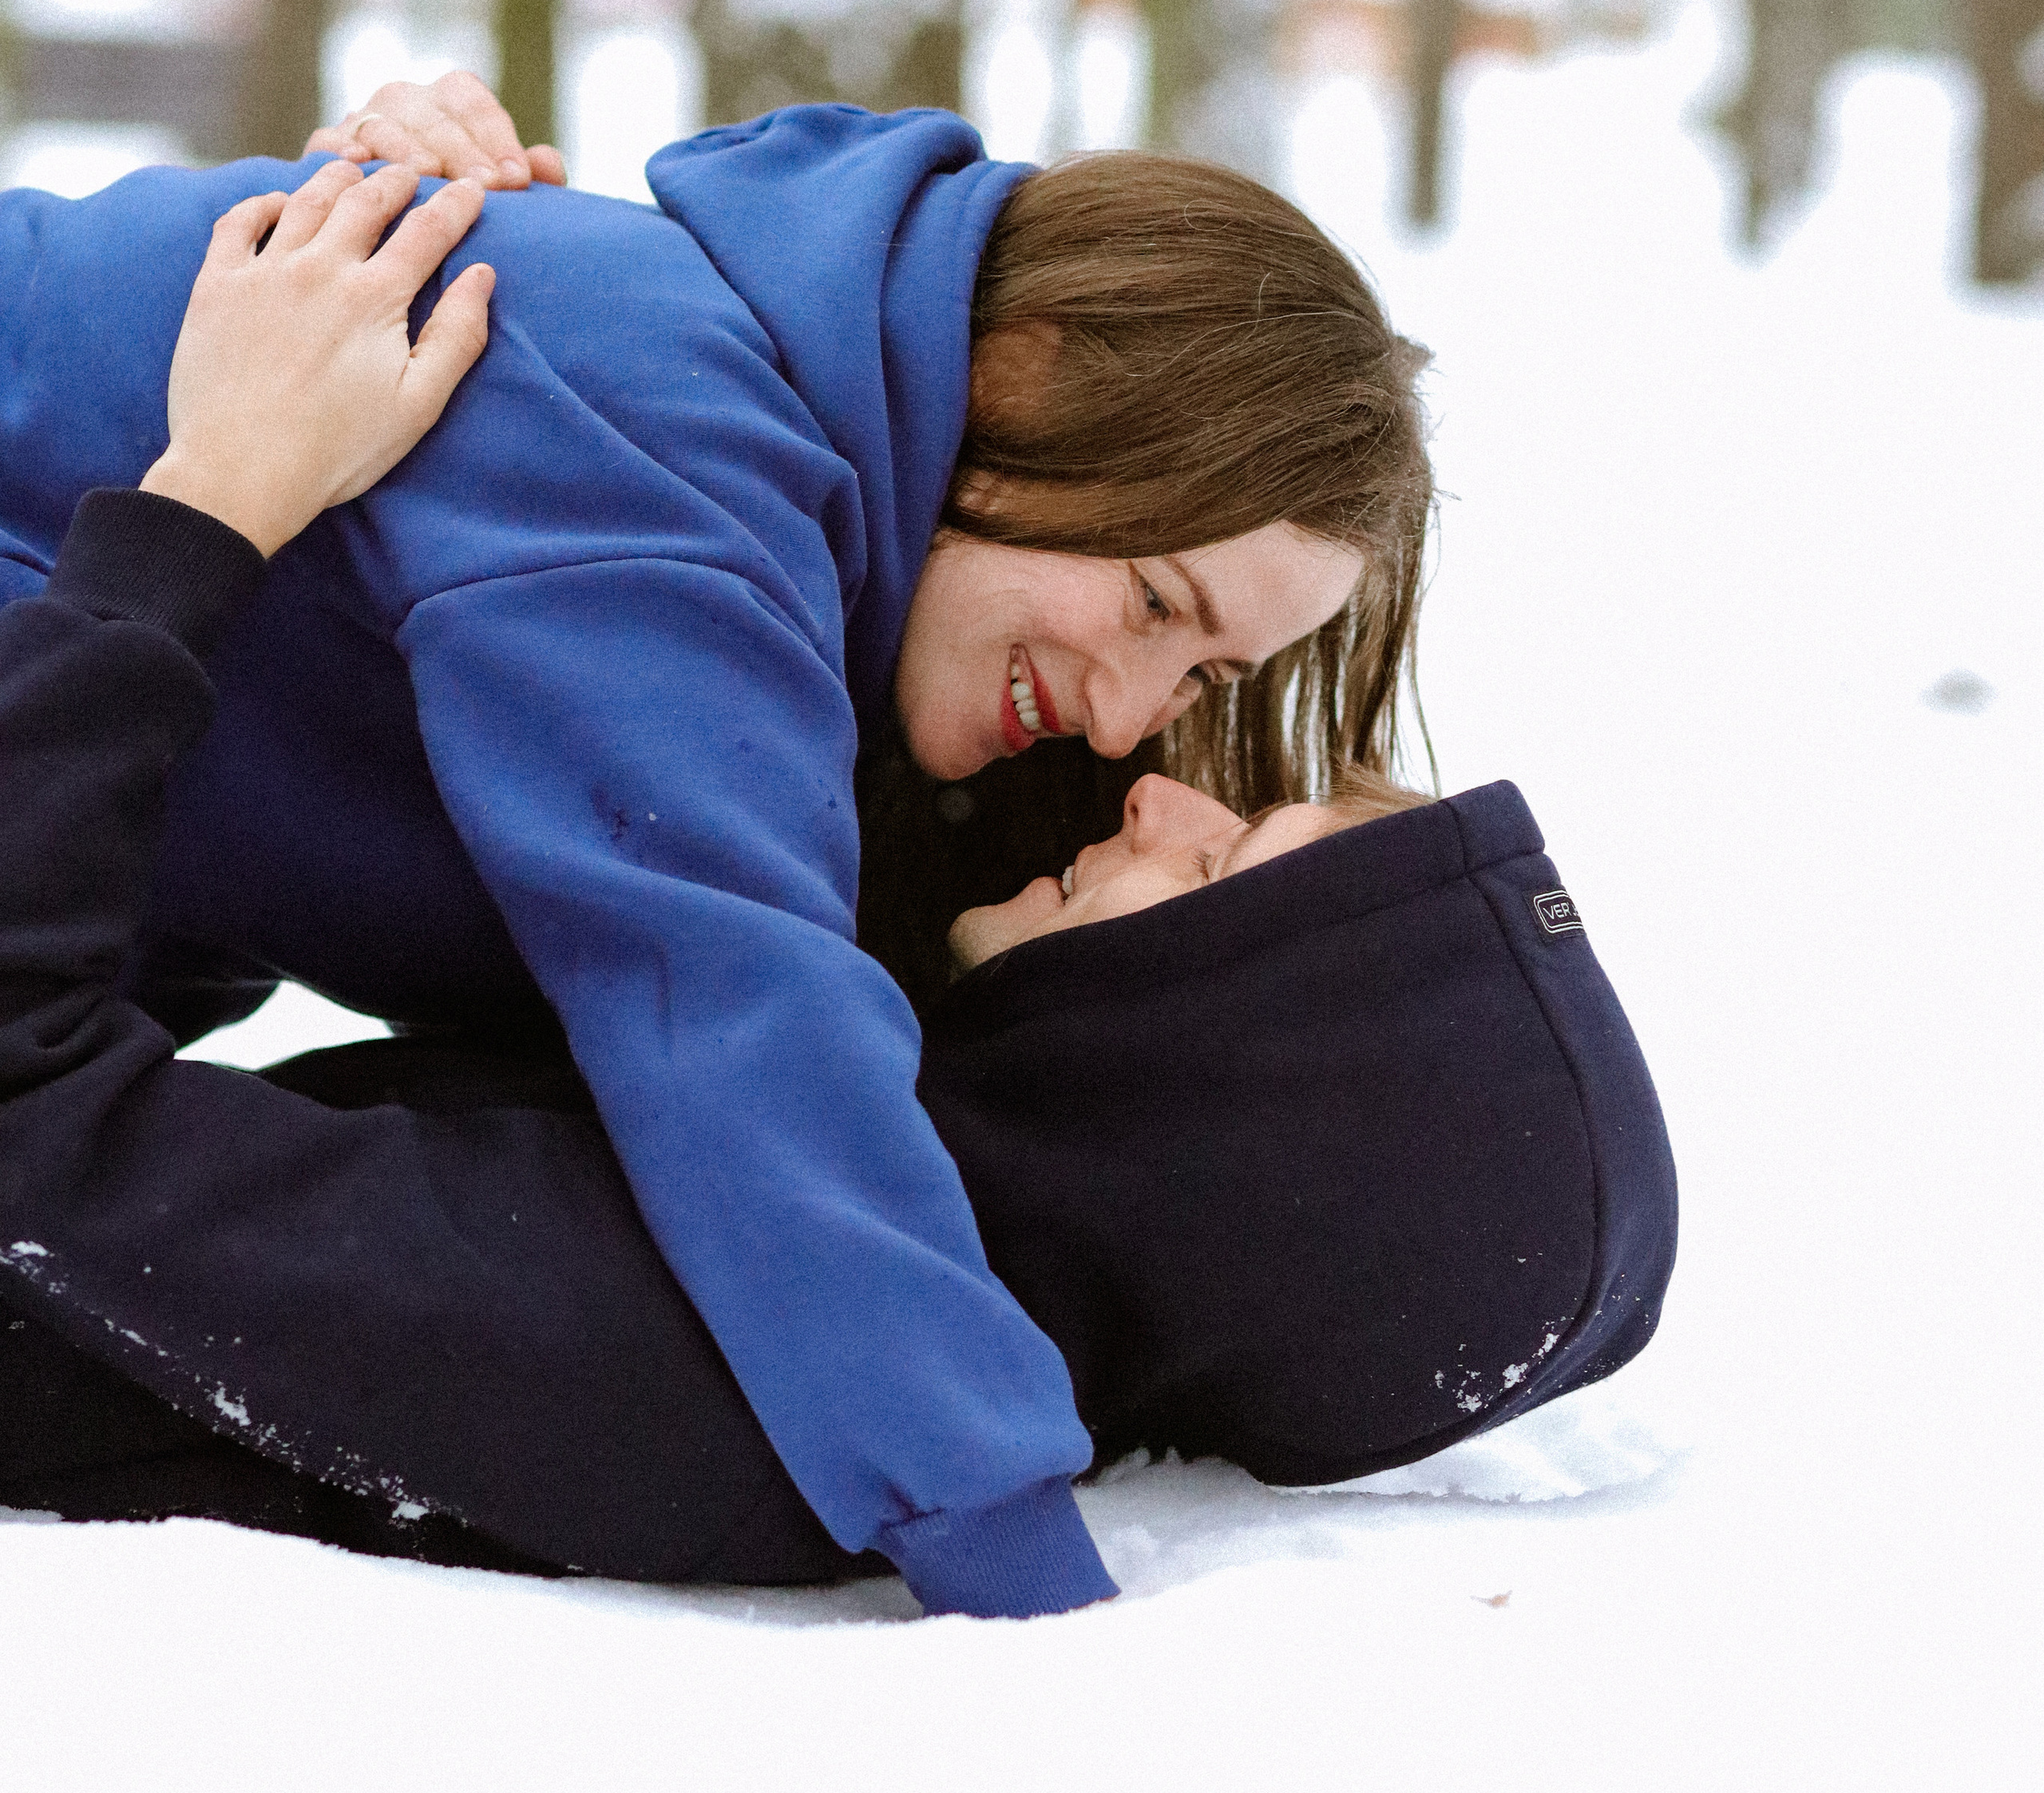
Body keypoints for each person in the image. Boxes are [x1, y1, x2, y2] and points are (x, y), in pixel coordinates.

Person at [0, 175, 1677, 1589]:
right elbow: (717, 996)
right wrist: (991, 1533)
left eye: (1201, 680)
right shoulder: (670, 440)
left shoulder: (779, 617)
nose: (1144, 752)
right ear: (1020, 375)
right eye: (1157, 602)